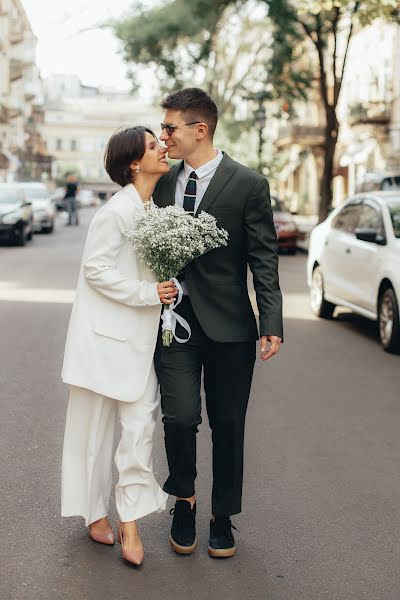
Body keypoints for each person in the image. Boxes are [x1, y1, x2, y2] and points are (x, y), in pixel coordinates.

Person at [153, 88, 283, 558]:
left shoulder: (249, 184)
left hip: (231, 328)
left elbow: (263, 258)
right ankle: (183, 500)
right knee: (180, 416)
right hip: (175, 324)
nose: (163, 135)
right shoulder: (163, 183)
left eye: (170, 127)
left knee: (228, 423)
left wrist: (271, 320)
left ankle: (222, 515)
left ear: (199, 129)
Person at [61, 126, 176, 566]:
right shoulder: (115, 212)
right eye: (153, 145)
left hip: (140, 342)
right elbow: (96, 270)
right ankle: (93, 513)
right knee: (92, 434)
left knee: (139, 427)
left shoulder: (151, 210)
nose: (162, 148)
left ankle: (129, 519)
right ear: (133, 162)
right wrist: (150, 294)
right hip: (104, 341)